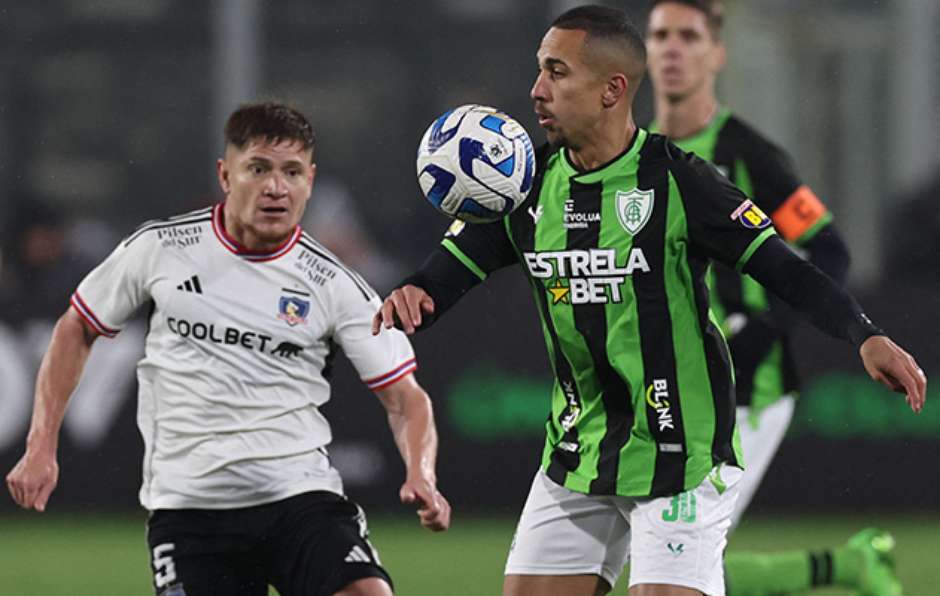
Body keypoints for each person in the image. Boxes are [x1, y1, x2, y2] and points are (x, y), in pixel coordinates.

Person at [372, 5, 925, 596]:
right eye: (539, 70)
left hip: (679, 454)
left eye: (556, 73)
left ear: (612, 90)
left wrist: (864, 333)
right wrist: (418, 290)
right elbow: (458, 264)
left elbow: (787, 269)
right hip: (579, 451)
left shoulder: (683, 182)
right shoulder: (529, 186)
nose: (536, 90)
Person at [6, 101, 451, 596]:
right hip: (190, 511)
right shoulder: (161, 249)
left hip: (300, 499)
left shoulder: (335, 284)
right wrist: (40, 445)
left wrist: (422, 473)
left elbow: (406, 397)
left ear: (310, 180)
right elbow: (76, 329)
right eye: (258, 169)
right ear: (225, 174)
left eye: (292, 172)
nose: (275, 187)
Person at [644, 2, 900, 594]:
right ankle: (847, 567)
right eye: (660, 35)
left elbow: (829, 248)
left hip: (747, 387)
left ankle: (846, 566)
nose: (673, 49)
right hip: (669, 384)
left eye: (689, 36)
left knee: (679, 558)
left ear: (717, 54)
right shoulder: (637, 155)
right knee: (674, 559)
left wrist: (768, 329)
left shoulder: (748, 155)